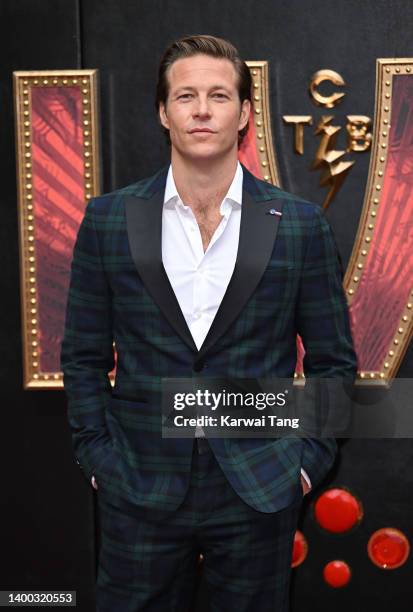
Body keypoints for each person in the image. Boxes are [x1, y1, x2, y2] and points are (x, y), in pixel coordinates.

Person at [61, 34, 357, 612]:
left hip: (258, 484)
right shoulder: (108, 220)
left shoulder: (298, 225)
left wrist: (304, 465)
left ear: (244, 113)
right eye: (186, 95)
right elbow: (83, 355)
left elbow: (332, 362)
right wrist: (99, 457)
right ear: (163, 112)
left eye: (219, 95)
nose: (201, 109)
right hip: (138, 484)